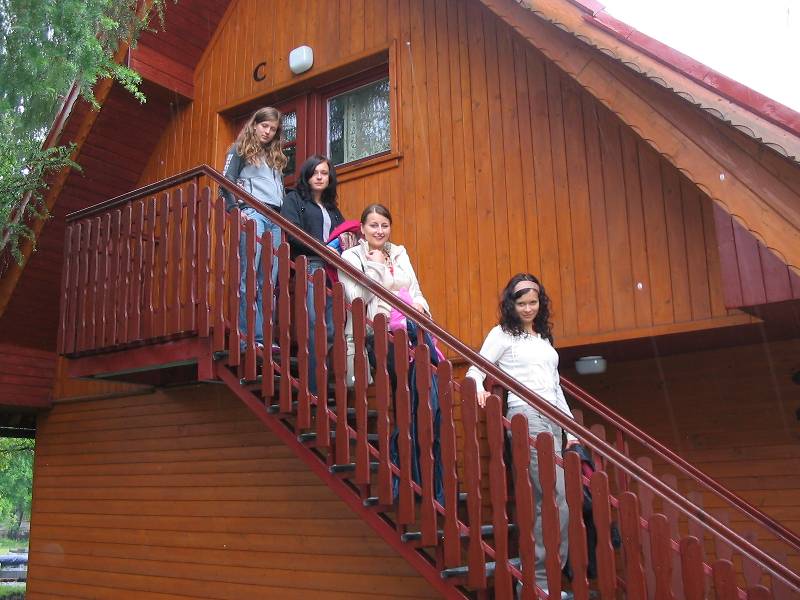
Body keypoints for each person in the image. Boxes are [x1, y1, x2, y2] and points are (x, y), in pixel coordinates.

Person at [466, 273, 578, 599]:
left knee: (558, 502)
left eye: (533, 302)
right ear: (511, 305)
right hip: (526, 416)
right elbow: (475, 368)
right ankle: (540, 584)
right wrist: (479, 388)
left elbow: (556, 388)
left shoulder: (543, 339)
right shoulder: (502, 334)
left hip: (553, 421)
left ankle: (544, 582)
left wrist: (571, 430)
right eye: (522, 303)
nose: (528, 308)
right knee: (555, 500)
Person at [338, 204, 444, 504]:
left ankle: (424, 474)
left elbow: (416, 290)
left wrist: (421, 307)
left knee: (424, 403)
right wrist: (375, 267)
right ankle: (407, 472)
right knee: (411, 400)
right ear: (362, 228)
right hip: (379, 336)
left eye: (384, 225)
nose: (379, 231)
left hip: (411, 330)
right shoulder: (352, 257)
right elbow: (357, 298)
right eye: (373, 225)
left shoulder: (399, 253)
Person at [220, 106, 287, 352]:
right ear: (255, 124)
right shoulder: (239, 148)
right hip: (253, 212)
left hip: (275, 218)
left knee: (268, 280)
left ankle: (265, 337)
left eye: (273, 129)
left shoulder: (275, 158)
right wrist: (234, 209)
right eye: (264, 126)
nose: (267, 132)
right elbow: (225, 181)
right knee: (248, 275)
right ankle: (249, 336)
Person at [281, 155, 344, 394]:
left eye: (324, 173)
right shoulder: (294, 199)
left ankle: (319, 383)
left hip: (332, 271)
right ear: (307, 176)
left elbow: (342, 235)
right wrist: (324, 248)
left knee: (331, 329)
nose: (319, 177)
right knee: (315, 326)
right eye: (314, 172)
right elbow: (293, 233)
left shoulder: (332, 209)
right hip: (311, 266)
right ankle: (313, 389)